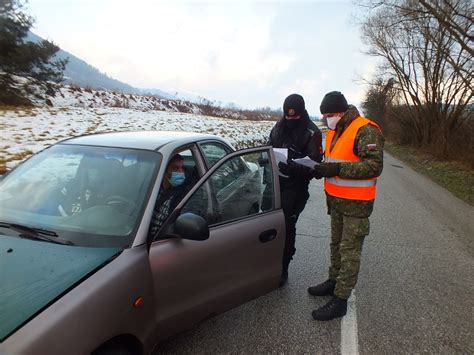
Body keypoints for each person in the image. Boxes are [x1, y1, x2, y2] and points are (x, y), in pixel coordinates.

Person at [308, 91, 384, 321]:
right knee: (336, 245)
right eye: (325, 116)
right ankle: (333, 282)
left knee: (350, 252)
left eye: (330, 114)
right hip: (337, 202)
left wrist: (336, 169)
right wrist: (321, 168)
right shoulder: (335, 131)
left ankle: (340, 300)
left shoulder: (365, 129)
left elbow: (373, 167)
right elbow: (334, 162)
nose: (327, 119)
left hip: (357, 205)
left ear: (342, 112)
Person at [269, 93, 323, 286]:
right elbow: (270, 146)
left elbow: (316, 165)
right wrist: (265, 158)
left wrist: (294, 168)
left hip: (296, 188)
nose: (290, 120)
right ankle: (265, 264)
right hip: (275, 184)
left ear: (302, 113)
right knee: (268, 225)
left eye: (294, 116)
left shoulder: (312, 132)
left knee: (286, 227)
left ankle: (283, 267)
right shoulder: (278, 126)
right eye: (287, 116)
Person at [148, 154, 190, 237]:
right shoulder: (149, 188)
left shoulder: (183, 195)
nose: (181, 172)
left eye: (182, 168)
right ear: (164, 171)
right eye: (175, 168)